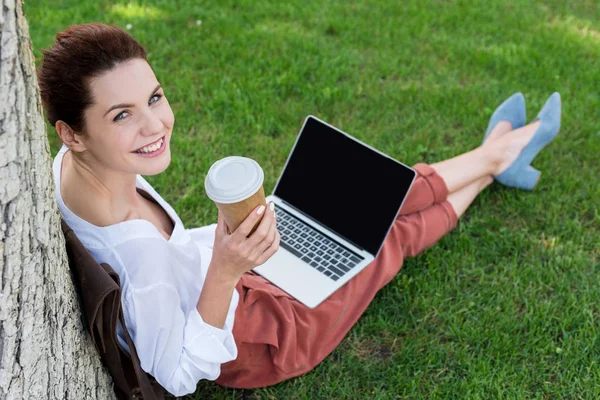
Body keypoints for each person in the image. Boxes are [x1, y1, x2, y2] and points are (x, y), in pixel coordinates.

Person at [38, 23, 561, 397]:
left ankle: (496, 156)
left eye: (154, 97)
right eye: (122, 114)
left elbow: (171, 263)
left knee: (360, 201)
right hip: (264, 338)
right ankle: (497, 159)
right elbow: (175, 376)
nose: (154, 126)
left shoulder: (69, 170)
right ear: (73, 132)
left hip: (228, 277)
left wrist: (228, 251)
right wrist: (225, 270)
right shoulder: (141, 258)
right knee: (381, 238)